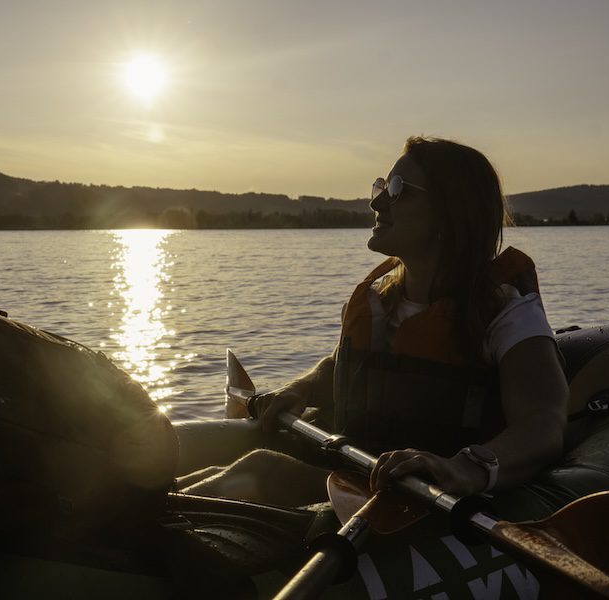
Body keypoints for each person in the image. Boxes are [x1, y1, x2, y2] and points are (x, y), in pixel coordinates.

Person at [181, 136, 569, 506]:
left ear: (450, 211)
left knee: (262, 472)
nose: (377, 202)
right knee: (223, 467)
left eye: (398, 189)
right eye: (381, 185)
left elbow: (543, 421)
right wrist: (302, 387)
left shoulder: (507, 313)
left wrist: (464, 468)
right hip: (357, 475)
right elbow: (344, 366)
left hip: (422, 502)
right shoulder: (382, 300)